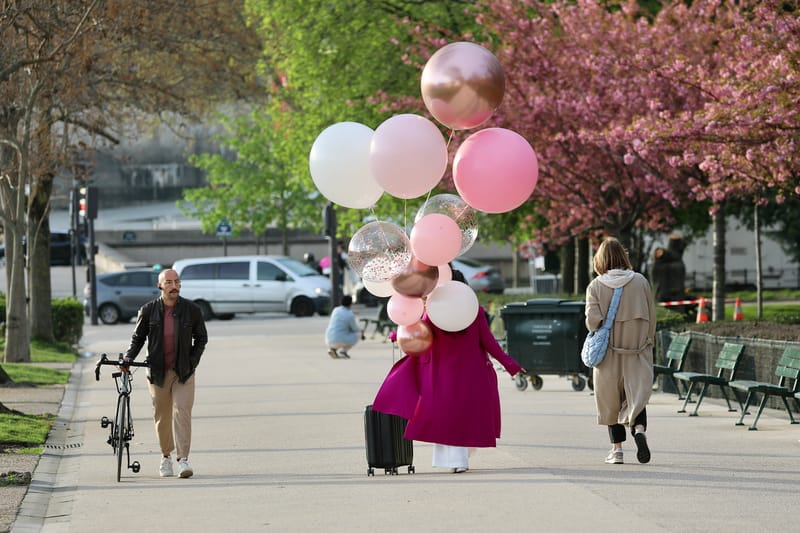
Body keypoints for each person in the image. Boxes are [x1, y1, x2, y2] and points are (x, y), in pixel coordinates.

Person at [372, 269, 525, 473]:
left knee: (443, 416)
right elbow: (489, 342)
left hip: (439, 372)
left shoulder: (433, 311)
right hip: (470, 373)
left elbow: (417, 332)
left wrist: (396, 335)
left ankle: (451, 460)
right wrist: (511, 365)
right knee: (462, 415)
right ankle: (460, 460)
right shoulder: (475, 311)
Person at [123, 268, 208, 478]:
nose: (174, 286)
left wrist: (192, 362)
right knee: (162, 416)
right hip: (158, 372)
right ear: (160, 286)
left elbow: (201, 339)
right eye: (168, 282)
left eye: (177, 282)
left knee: (182, 412)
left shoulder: (192, 310)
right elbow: (138, 339)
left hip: (183, 372)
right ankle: (166, 457)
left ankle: (183, 460)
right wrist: (128, 358)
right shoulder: (148, 310)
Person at [585, 237, 656, 465]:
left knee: (610, 401)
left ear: (600, 260)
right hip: (637, 350)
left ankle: (616, 450)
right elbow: (652, 316)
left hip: (608, 354)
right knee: (636, 396)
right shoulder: (641, 281)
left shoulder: (595, 286)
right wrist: (648, 341)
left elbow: (592, 322)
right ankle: (639, 429)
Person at [325, 295, 362, 359]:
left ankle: (332, 349)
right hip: (340, 340)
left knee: (340, 331)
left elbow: (343, 314)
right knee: (359, 333)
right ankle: (343, 351)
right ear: (350, 303)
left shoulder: (335, 310)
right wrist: (362, 330)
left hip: (328, 339)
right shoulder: (350, 315)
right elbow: (355, 328)